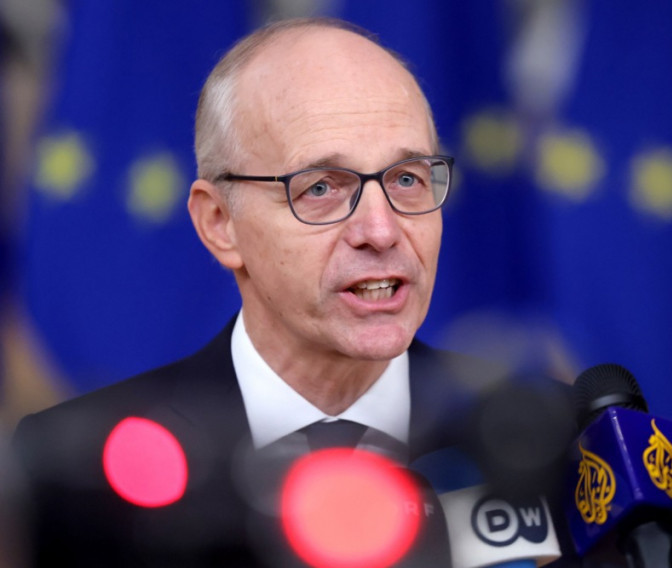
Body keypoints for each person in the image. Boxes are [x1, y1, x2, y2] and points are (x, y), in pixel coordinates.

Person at [11, 17, 578, 567]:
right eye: (322, 188)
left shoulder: (549, 446)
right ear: (219, 224)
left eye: (407, 179)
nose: (381, 231)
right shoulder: (92, 487)